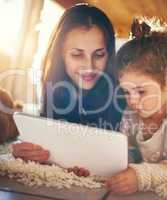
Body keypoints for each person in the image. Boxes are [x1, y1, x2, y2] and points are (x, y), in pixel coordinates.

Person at [12, 3, 125, 170]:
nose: (89, 66)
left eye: (99, 54)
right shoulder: (54, 88)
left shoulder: (123, 93)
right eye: (77, 55)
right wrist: (28, 150)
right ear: (61, 55)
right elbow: (48, 140)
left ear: (109, 54)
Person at [106, 17, 167, 194]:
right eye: (127, 92)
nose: (132, 101)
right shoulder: (131, 113)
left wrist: (140, 176)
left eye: (141, 91)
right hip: (151, 164)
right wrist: (114, 168)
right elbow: (128, 154)